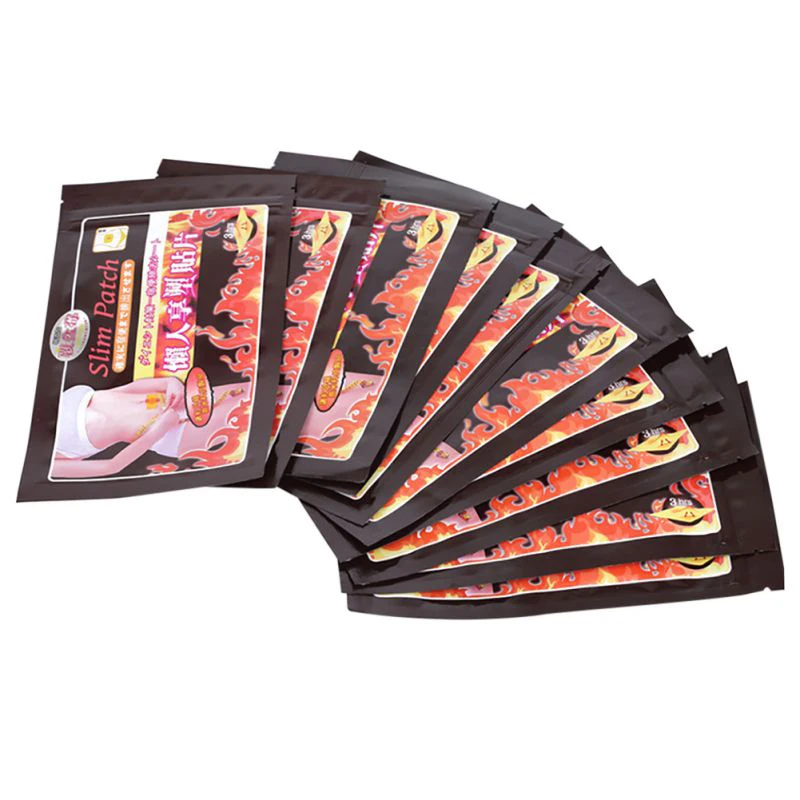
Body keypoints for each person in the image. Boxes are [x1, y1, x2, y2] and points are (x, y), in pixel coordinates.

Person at [51, 376, 249, 478]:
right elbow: (110, 467)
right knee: (251, 412)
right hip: (172, 433)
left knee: (258, 392)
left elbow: (121, 391)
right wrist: (159, 430)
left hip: (177, 399)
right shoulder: (44, 462)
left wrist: (167, 383)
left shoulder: (44, 399)